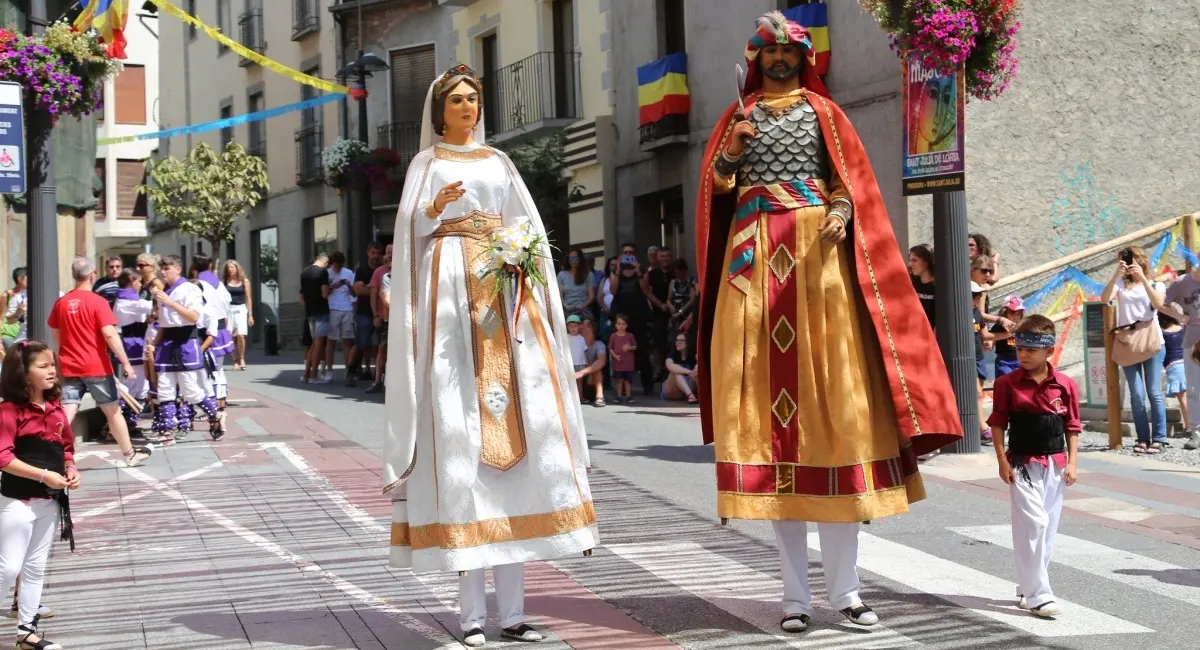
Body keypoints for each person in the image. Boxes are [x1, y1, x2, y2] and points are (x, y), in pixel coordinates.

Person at [693, 12, 961, 632]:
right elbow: (719, 193)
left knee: (839, 435)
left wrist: (841, 208)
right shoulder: (736, 119)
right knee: (778, 446)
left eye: (789, 53)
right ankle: (794, 599)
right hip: (754, 271)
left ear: (802, 58)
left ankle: (847, 594)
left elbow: (852, 187)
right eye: (770, 53)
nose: (779, 61)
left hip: (820, 272)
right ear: (756, 59)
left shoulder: (825, 114)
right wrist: (730, 157)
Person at [381, 63, 597, 648]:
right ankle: (473, 616)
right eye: (457, 99)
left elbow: (527, 227)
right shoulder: (427, 165)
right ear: (439, 111)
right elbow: (408, 236)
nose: (468, 107)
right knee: (461, 446)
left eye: (473, 98)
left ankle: (515, 613)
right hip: (451, 303)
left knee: (523, 454)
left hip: (504, 301)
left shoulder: (500, 163)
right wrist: (433, 212)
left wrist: (522, 260)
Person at [987, 315, 1080, 619]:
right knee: (1034, 524)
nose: (1023, 354)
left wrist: (1073, 462)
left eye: (1030, 349)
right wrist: (1001, 459)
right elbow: (998, 423)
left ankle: (1027, 586)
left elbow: (1072, 425)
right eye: (1019, 348)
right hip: (1022, 463)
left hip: (1056, 462)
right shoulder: (1006, 384)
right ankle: (1040, 594)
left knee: (1048, 528)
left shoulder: (1065, 384)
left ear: (1049, 351)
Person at [0, 340, 76, 650]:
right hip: (17, 501)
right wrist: (45, 475)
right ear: (22, 373)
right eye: (42, 366)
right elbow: (3, 457)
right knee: (8, 567)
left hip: (49, 501)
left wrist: (71, 468)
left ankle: (26, 633)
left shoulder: (56, 409)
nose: (52, 371)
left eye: (52, 365)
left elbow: (67, 448)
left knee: (35, 567)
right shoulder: (8, 410)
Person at [49, 258, 152, 467]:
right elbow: (110, 334)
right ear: (92, 275)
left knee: (67, 411)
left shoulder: (61, 303)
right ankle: (129, 454)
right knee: (112, 411)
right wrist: (127, 364)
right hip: (96, 365)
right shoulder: (98, 302)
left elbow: (56, 334)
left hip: (70, 366)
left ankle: (49, 454)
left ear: (73, 275)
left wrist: (63, 356)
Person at [147, 255, 221, 444]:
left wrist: (170, 303)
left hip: (185, 341)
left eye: (167, 268)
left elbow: (194, 317)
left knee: (190, 391)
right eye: (161, 269)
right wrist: (154, 344)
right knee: (165, 389)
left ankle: (216, 416)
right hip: (167, 343)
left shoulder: (190, 289)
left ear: (178, 269)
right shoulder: (164, 291)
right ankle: (168, 431)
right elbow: (164, 324)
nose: (163, 272)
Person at [1101, 246, 1168, 453]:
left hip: (1151, 340)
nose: (1128, 265)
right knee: (1136, 394)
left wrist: (1144, 278)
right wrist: (1115, 275)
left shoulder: (1157, 283)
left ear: (1141, 261)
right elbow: (1104, 299)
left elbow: (1158, 304)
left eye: (1130, 260)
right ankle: (1142, 438)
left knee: (1154, 392)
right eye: (1123, 261)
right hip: (1128, 342)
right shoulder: (1121, 284)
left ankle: (1160, 438)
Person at [193, 255, 233, 438]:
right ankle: (220, 403)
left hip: (209, 330)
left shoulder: (199, 285)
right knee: (218, 369)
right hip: (221, 327)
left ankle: (215, 406)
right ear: (210, 265)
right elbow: (227, 304)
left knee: (210, 371)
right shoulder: (218, 283)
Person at [609, 242, 654, 395]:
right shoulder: (616, 271)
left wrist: (638, 272)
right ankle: (622, 387)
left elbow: (646, 290)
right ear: (621, 254)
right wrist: (618, 270)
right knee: (620, 350)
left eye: (631, 253)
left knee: (641, 349)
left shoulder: (641, 270)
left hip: (638, 314)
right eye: (625, 253)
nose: (628, 255)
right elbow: (613, 290)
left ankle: (647, 386)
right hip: (622, 315)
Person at [1164, 265, 1200, 449]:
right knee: (1193, 389)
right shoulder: (1182, 282)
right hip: (1193, 342)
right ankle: (1196, 432)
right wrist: (1177, 315)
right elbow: (1160, 303)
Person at [113, 269, 153, 437]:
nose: (140, 284)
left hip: (135, 342)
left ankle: (129, 422)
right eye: (138, 281)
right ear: (131, 281)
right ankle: (119, 424)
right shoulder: (127, 301)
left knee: (140, 384)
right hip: (132, 343)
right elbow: (149, 307)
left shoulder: (127, 299)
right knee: (134, 383)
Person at [350, 243, 384, 385]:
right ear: (368, 254)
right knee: (361, 343)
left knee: (378, 344)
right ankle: (351, 371)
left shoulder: (384, 270)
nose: (375, 256)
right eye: (373, 253)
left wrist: (370, 288)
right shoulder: (362, 271)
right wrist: (377, 290)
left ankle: (373, 372)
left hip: (381, 312)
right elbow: (358, 291)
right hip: (364, 312)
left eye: (378, 253)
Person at [324, 251, 357, 382]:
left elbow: (355, 294)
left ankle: (348, 370)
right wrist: (333, 286)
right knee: (331, 341)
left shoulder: (349, 273)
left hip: (347, 308)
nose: (338, 268)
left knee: (347, 340)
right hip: (332, 308)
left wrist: (348, 285)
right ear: (332, 263)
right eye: (336, 266)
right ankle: (329, 370)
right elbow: (325, 293)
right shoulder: (327, 273)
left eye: (340, 265)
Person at [299, 254, 332, 384]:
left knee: (313, 343)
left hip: (310, 311)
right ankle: (313, 375)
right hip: (321, 310)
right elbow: (324, 293)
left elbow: (301, 295)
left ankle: (307, 373)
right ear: (325, 261)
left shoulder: (304, 272)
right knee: (319, 343)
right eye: (327, 264)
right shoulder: (323, 272)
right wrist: (330, 289)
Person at [366, 245, 393, 394]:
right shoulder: (380, 272)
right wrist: (376, 315)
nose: (390, 255)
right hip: (385, 317)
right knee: (382, 348)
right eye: (388, 252)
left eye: (392, 253)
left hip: (401, 318)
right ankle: (377, 381)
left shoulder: (404, 269)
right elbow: (374, 295)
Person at [1161, 306, 1190, 440]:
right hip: (1188, 364)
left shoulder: (1163, 333)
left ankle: (1189, 428)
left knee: (1183, 400)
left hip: (1174, 367)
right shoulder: (1184, 329)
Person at [222, 260, 254, 371]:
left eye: (232, 267)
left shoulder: (244, 281)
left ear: (237, 268)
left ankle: (241, 358)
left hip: (241, 308)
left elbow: (248, 298)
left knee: (241, 335)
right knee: (230, 336)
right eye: (228, 268)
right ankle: (234, 360)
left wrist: (250, 315)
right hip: (229, 309)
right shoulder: (224, 282)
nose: (230, 269)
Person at [992, 295, 1024, 380]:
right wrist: (989, 343)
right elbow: (990, 340)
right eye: (1012, 312)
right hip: (1004, 362)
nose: (1015, 316)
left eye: (1018, 313)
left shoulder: (1023, 326)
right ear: (1004, 312)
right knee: (1006, 383)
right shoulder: (999, 327)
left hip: (1019, 362)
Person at [576, 319, 606, 406]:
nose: (579, 326)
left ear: (589, 328)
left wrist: (582, 372)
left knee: (597, 369)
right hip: (577, 379)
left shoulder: (599, 344)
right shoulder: (576, 342)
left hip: (590, 379)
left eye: (582, 324)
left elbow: (601, 361)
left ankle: (600, 397)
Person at [557, 247, 595, 319]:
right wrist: (566, 306)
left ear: (580, 259)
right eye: (570, 258)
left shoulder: (589, 274)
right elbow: (560, 296)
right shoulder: (561, 275)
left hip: (584, 310)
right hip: (567, 310)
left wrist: (583, 305)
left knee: (587, 324)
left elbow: (591, 296)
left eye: (575, 258)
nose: (573, 261)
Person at [608, 314, 637, 405]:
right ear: (615, 325)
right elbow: (610, 348)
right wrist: (615, 356)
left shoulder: (630, 336)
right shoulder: (613, 336)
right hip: (618, 364)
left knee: (628, 381)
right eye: (619, 324)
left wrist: (629, 348)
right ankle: (619, 396)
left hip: (628, 364)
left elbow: (635, 347)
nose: (621, 326)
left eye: (623, 324)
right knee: (619, 380)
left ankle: (628, 396)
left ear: (627, 325)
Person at [662, 333, 698, 403]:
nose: (678, 342)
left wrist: (696, 368)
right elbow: (670, 366)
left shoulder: (693, 355)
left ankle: (703, 396)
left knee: (698, 369)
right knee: (676, 371)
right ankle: (690, 396)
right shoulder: (671, 355)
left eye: (681, 340)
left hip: (686, 388)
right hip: (671, 390)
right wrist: (689, 372)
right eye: (677, 340)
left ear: (688, 343)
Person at [666, 258, 698, 339]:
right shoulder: (673, 282)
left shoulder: (691, 281)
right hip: (675, 311)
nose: (678, 274)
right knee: (674, 338)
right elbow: (668, 299)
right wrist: (670, 306)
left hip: (686, 311)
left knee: (685, 337)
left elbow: (692, 299)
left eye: (680, 272)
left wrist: (681, 312)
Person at [909, 244, 935, 329]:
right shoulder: (913, 285)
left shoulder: (938, 288)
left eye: (914, 260)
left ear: (926, 262)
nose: (911, 264)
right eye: (910, 260)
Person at [2, 268, 28, 350]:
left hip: (21, 332)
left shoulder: (28, 295)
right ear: (20, 279)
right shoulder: (6, 295)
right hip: (8, 333)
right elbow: (1, 317)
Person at [566, 314, 588, 395]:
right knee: (571, 382)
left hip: (580, 364)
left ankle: (580, 397)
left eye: (575, 326)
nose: (573, 328)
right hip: (569, 364)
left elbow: (584, 351)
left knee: (579, 382)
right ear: (567, 327)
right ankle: (571, 398)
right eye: (570, 326)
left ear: (579, 326)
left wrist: (586, 363)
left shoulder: (582, 338)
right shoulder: (566, 337)